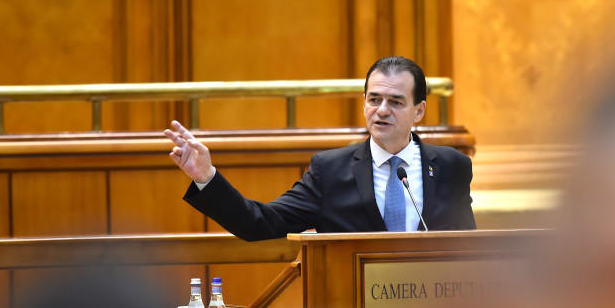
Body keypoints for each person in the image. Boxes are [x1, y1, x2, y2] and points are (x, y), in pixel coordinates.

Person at [163, 56, 475, 241]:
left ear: (418, 111)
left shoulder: (452, 167)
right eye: (374, 99)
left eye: (395, 102)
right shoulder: (330, 170)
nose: (381, 110)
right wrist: (207, 177)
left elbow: (468, 249)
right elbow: (259, 222)